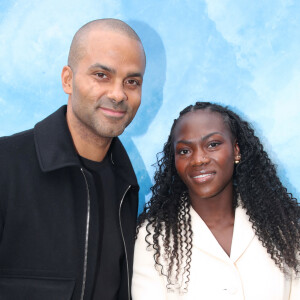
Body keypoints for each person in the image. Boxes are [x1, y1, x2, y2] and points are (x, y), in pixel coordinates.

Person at [0, 18, 146, 300]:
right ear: (68, 79)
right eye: (102, 75)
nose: (118, 94)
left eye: (132, 81)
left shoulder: (127, 186)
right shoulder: (6, 166)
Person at [132, 102, 300, 299]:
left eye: (212, 145)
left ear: (236, 150)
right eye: (185, 151)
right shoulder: (153, 238)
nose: (198, 159)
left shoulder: (283, 227)